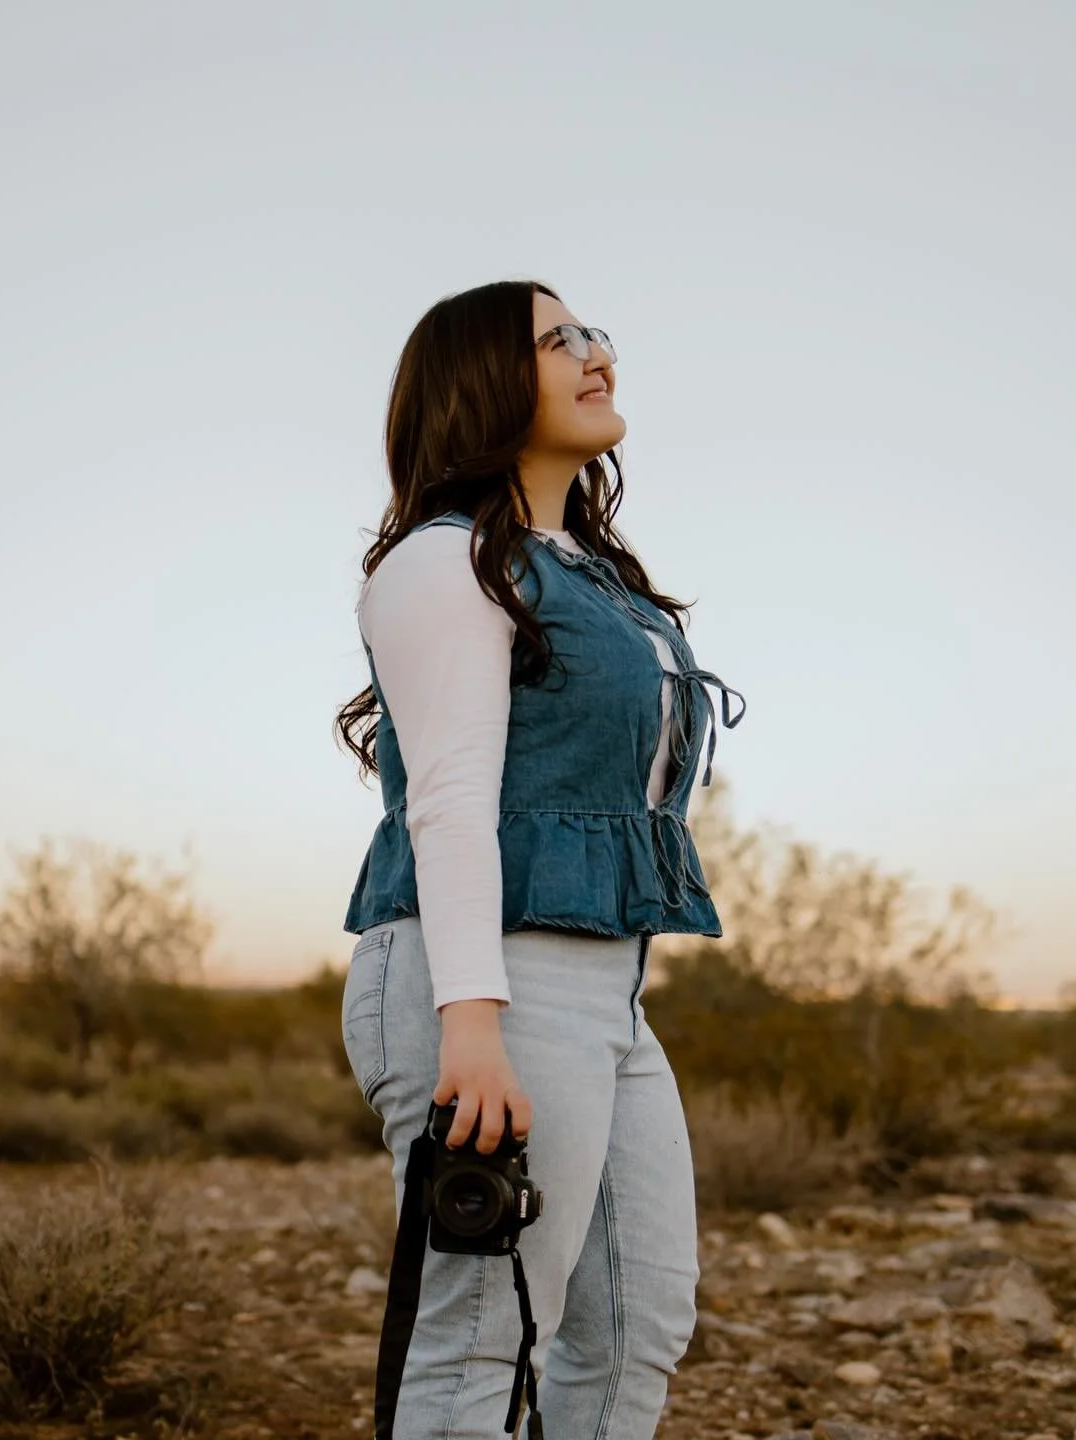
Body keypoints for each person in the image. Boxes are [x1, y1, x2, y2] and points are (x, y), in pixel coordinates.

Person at [334, 278, 746, 1440]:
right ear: (480, 384)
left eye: (593, 331)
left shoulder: (594, 576)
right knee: (478, 1346)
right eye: (554, 340)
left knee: (635, 1326)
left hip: (603, 987)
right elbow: (454, 802)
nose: (593, 350)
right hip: (485, 981)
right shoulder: (442, 562)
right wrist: (474, 1024)